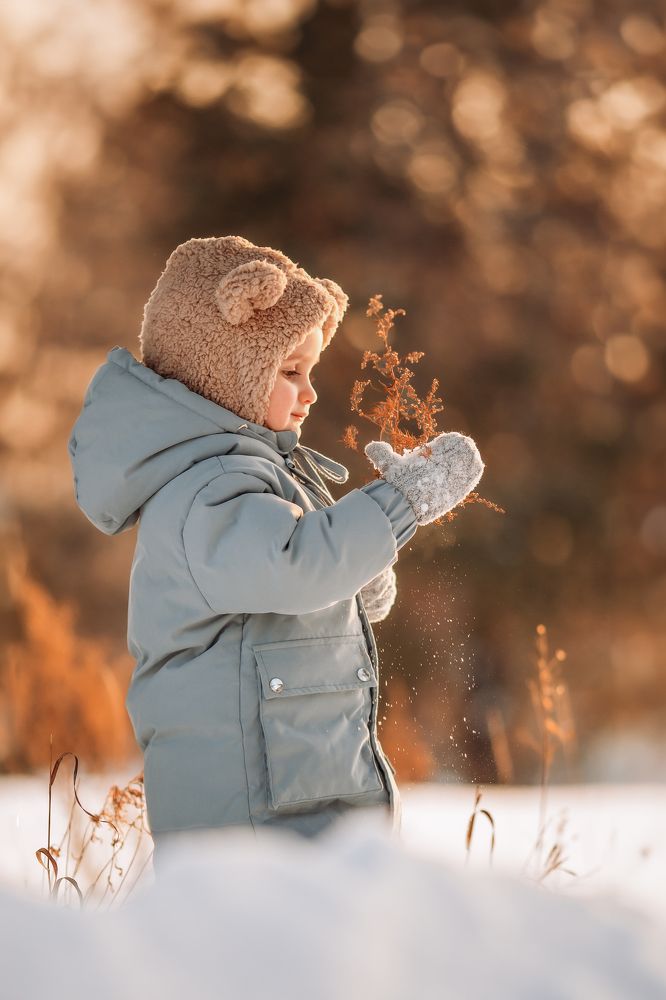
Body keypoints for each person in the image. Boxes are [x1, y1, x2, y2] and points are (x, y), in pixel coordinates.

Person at [67, 235, 484, 874]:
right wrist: (401, 502)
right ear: (224, 372)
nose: (310, 393)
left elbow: (299, 575)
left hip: (293, 801)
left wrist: (358, 571)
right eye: (291, 371)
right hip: (249, 821)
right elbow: (296, 566)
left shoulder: (247, 476)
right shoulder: (203, 489)